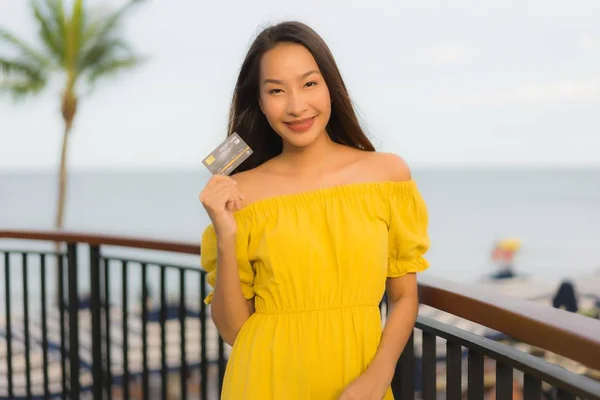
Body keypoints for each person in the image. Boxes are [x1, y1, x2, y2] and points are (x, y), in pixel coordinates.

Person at [198, 20, 430, 400]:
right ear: (259, 101)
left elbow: (404, 296)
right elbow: (233, 331)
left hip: (360, 383)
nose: (296, 106)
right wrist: (226, 236)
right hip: (263, 382)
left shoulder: (387, 175)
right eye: (276, 90)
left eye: (309, 84)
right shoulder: (243, 193)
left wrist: (378, 376)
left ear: (330, 87)